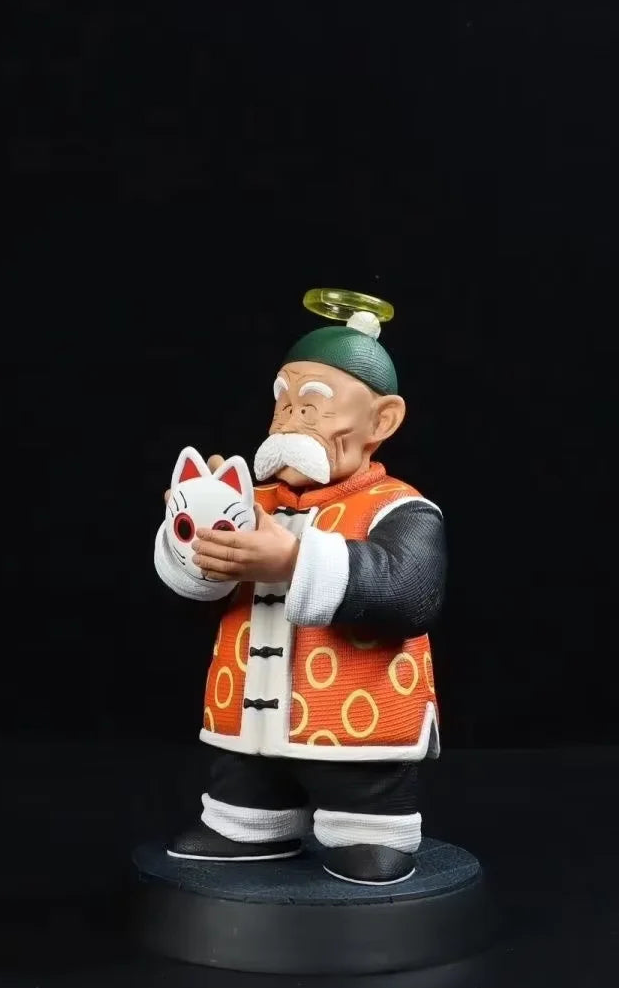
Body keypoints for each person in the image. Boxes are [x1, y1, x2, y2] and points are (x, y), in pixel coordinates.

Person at [152, 297, 447, 884]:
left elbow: (411, 594)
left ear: (381, 423)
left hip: (358, 712)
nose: (288, 422)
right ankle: (248, 824)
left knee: (363, 783)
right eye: (283, 404)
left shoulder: (398, 508)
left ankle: (368, 833)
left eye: (311, 408)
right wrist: (195, 533)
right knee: (245, 774)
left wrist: (294, 561)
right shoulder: (251, 504)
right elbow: (195, 594)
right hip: (248, 711)